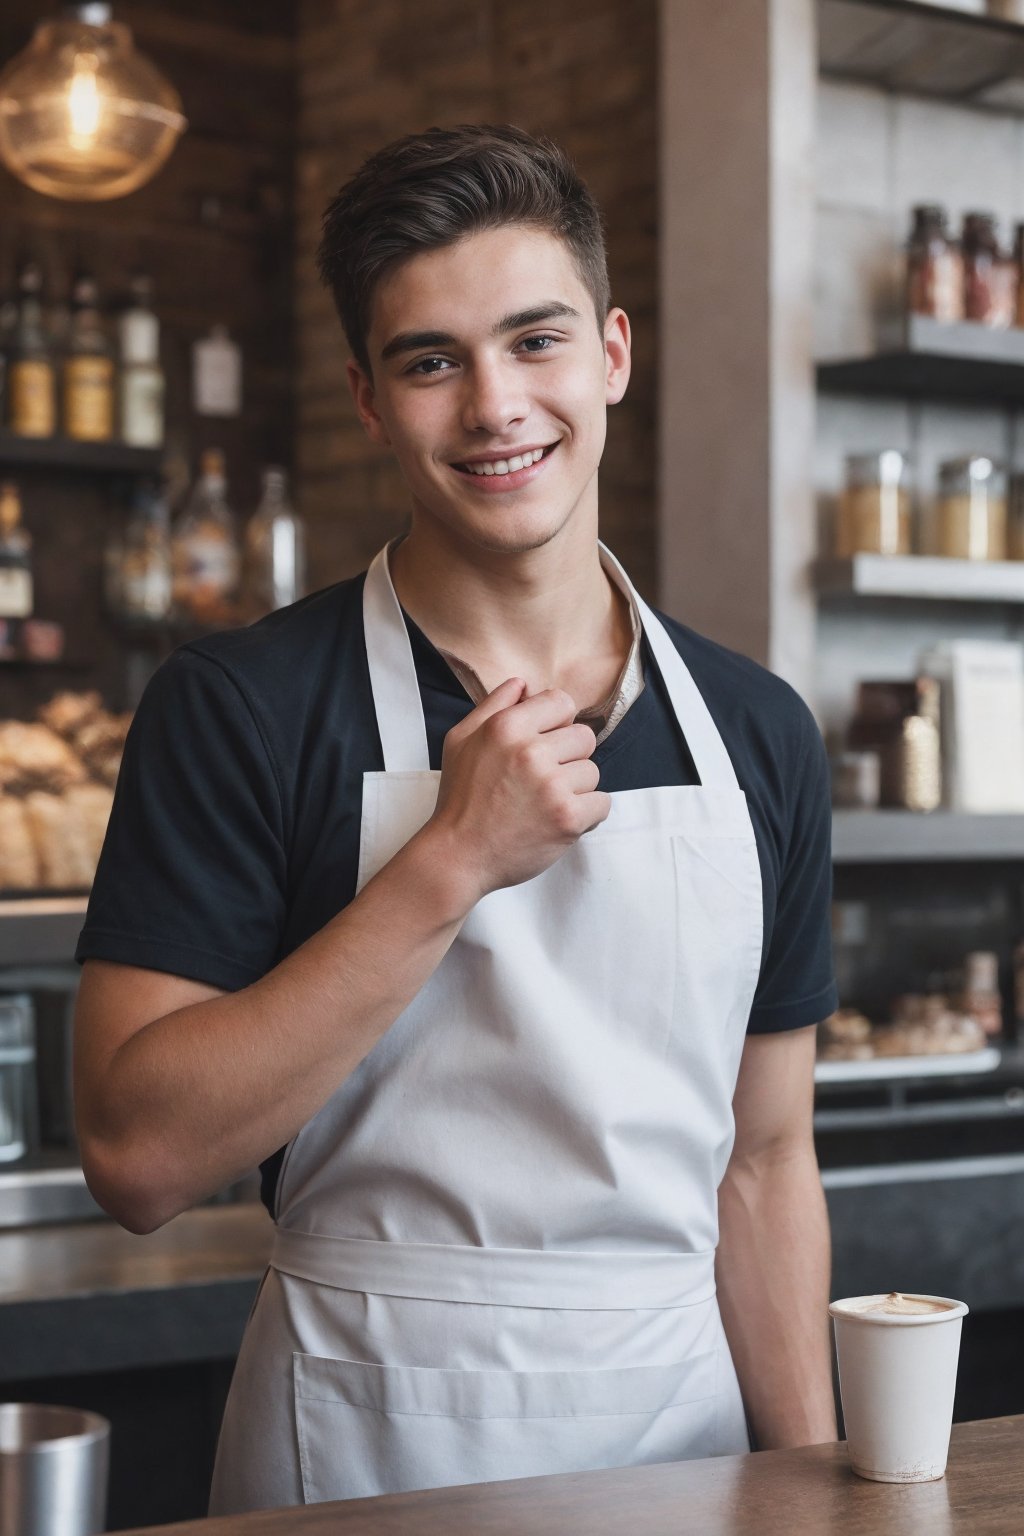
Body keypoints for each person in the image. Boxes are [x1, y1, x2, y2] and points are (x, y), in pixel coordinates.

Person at [73, 124, 839, 1513]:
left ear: (611, 354)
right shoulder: (241, 707)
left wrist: (822, 1485)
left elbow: (767, 1161)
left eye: (533, 341)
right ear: (371, 401)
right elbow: (136, 1157)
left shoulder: (759, 731)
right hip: (361, 1436)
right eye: (433, 361)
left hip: (690, 1441)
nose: (495, 406)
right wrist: (451, 862)